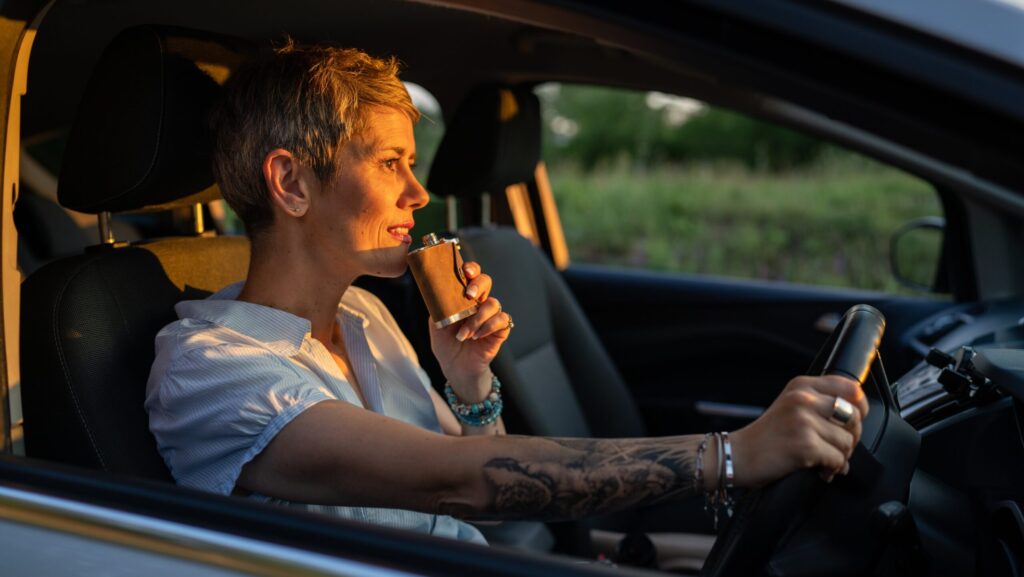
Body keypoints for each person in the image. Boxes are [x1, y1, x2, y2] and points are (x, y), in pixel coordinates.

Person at [145, 42, 868, 546]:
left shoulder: (363, 315)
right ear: (292, 183)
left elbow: (478, 487)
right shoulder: (210, 370)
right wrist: (733, 454)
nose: (418, 191)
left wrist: (471, 381)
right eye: (392, 161)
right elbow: (462, 483)